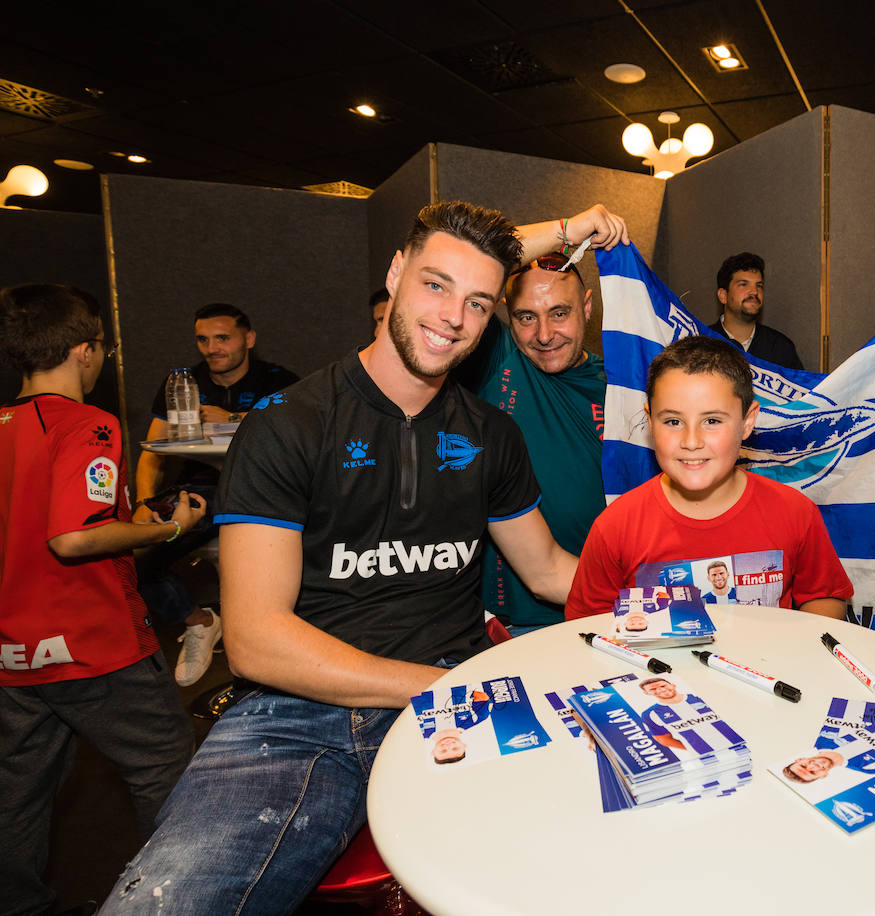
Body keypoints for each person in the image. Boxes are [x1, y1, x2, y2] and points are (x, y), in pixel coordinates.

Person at [102, 201, 628, 913]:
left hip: (454, 694)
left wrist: (664, 601)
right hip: (299, 712)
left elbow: (547, 571)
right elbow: (255, 641)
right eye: (435, 286)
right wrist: (432, 688)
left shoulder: (492, 434)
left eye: (477, 302)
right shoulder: (289, 425)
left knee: (582, 870)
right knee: (166, 901)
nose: (452, 317)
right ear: (395, 273)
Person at [0, 284, 201, 916]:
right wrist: (170, 529)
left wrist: (130, 524)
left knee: (18, 794)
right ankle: (168, 904)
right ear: (87, 350)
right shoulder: (90, 423)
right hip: (94, 645)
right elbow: (73, 536)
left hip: (14, 651)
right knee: (166, 770)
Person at [564, 336, 850, 619]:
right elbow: (586, 624)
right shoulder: (615, 527)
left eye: (712, 421)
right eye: (673, 421)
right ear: (650, 421)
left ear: (747, 421)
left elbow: (825, 597)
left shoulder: (795, 512)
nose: (691, 441)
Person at [133, 303, 299, 687]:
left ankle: (273, 656)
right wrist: (143, 504)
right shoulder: (183, 382)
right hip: (201, 493)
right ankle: (200, 621)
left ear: (248, 339)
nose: (212, 348)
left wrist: (235, 420)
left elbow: (302, 440)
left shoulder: (279, 380)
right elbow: (152, 451)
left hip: (265, 492)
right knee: (135, 558)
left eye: (222, 338)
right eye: (203, 340)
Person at [457, 252, 606, 635]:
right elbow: (468, 254)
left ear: (587, 307)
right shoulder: (497, 358)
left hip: (608, 609)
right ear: (506, 313)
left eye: (559, 313)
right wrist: (570, 230)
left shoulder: (622, 383)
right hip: (514, 623)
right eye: (526, 317)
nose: (543, 334)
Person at [709, 252, 803, 370]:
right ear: (723, 295)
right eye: (743, 284)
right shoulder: (702, 344)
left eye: (759, 286)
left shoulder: (781, 347)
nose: (754, 291)